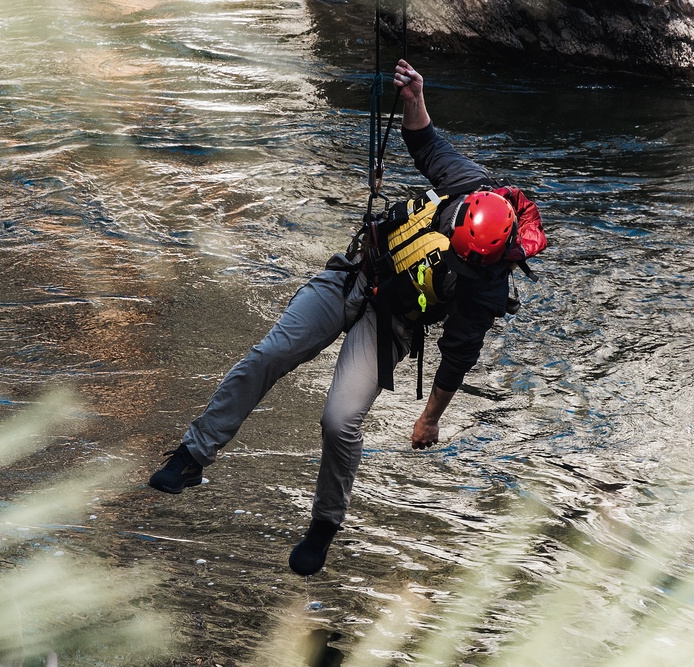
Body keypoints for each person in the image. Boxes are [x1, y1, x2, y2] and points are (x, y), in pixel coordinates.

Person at [148, 59, 545, 576]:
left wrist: (429, 420)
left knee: (339, 421)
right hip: (354, 276)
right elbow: (426, 143)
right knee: (270, 354)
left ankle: (323, 525)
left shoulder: (488, 287)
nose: (456, 255)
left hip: (392, 324)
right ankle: (193, 456)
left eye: (466, 257)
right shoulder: (470, 186)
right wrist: (415, 97)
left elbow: (457, 357)